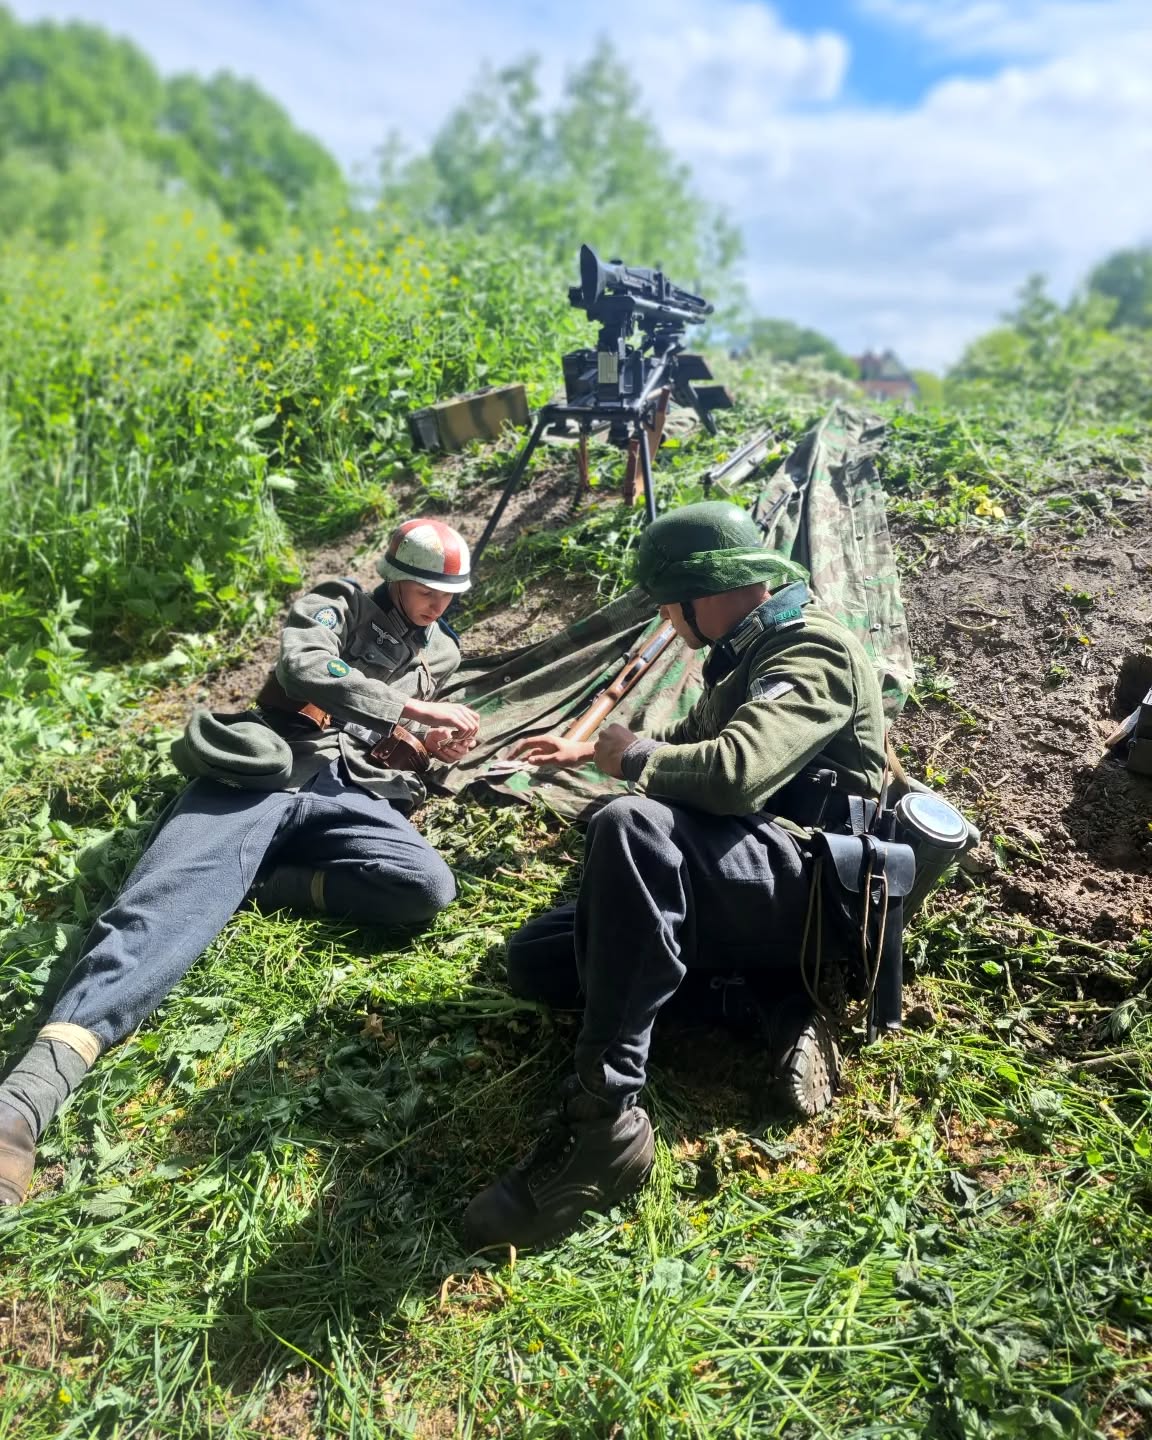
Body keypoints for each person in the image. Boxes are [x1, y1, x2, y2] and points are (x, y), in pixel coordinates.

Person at [0, 518, 480, 1207]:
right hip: (272, 764)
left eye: (450, 594)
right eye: (429, 590)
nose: (440, 605)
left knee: (425, 888)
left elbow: (395, 733)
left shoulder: (445, 650)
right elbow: (307, 668)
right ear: (397, 578)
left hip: (351, 792)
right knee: (155, 910)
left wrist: (427, 741)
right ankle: (24, 1101)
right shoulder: (338, 600)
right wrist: (407, 704)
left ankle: (261, 883)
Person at [464, 501, 888, 1251]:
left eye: (668, 600)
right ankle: (767, 997)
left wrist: (628, 761)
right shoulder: (743, 656)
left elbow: (732, 772)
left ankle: (604, 1127)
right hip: (748, 877)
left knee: (630, 826)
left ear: (706, 588)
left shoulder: (810, 648)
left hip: (814, 889)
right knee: (539, 957)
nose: (665, 617)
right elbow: (685, 742)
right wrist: (587, 750)